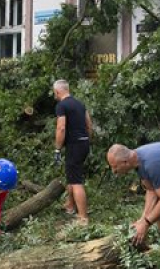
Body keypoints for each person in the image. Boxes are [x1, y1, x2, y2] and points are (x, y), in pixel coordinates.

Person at [53, 79, 92, 224]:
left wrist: (57, 148)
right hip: (83, 144)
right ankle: (70, 205)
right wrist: (87, 141)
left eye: (54, 92)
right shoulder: (80, 104)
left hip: (74, 145)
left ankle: (83, 217)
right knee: (72, 174)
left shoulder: (61, 106)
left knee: (76, 181)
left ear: (58, 91)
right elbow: (89, 124)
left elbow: (61, 128)